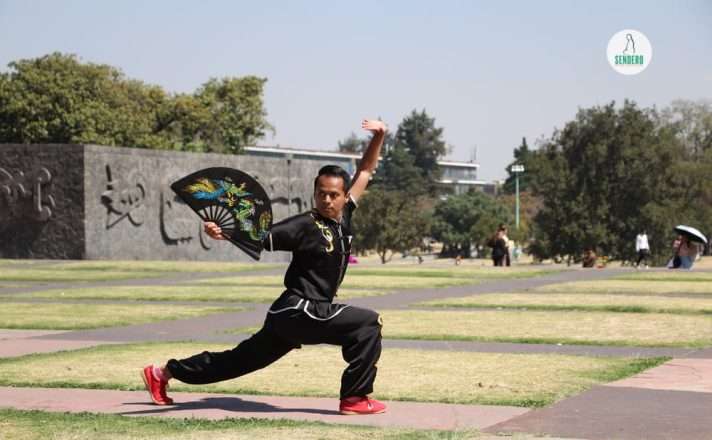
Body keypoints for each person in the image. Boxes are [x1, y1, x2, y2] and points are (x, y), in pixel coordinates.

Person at [141, 119, 388, 415]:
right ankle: (354, 398)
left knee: (237, 362)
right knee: (368, 323)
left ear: (345, 196)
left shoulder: (344, 216)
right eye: (321, 193)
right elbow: (260, 235)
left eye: (333, 194)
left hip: (292, 317)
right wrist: (222, 232)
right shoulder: (304, 224)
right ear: (314, 193)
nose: (326, 199)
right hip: (300, 309)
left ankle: (162, 373)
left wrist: (379, 136)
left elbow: (365, 170)